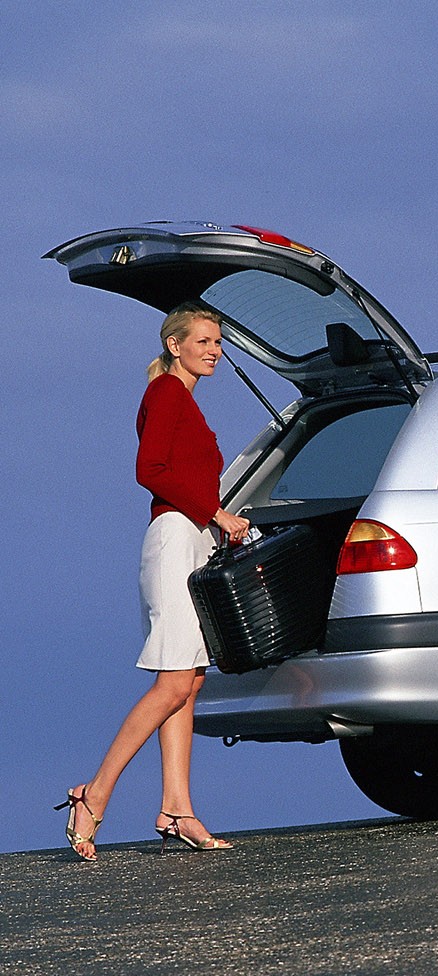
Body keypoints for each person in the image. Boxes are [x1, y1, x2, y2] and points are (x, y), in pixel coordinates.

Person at [60, 302, 251, 860]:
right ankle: (94, 794)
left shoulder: (183, 399)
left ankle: (176, 808)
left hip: (193, 537)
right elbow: (150, 470)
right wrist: (216, 514)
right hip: (174, 537)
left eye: (218, 343)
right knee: (173, 683)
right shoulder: (166, 392)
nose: (214, 351)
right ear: (175, 345)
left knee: (190, 682)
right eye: (204, 341)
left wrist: (215, 524)